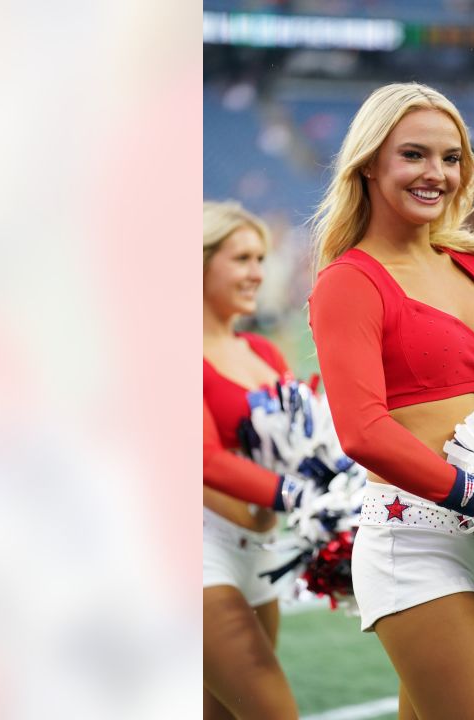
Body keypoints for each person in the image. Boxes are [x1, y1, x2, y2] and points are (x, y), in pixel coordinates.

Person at [307, 82, 474, 720]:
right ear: (370, 162)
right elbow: (364, 431)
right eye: (415, 155)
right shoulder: (348, 282)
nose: (437, 174)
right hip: (417, 544)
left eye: (451, 158)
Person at [203, 200, 308, 720]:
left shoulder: (265, 354)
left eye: (261, 259)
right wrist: (295, 495)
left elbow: (304, 443)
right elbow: (202, 460)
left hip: (262, 546)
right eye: (241, 258)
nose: (257, 273)